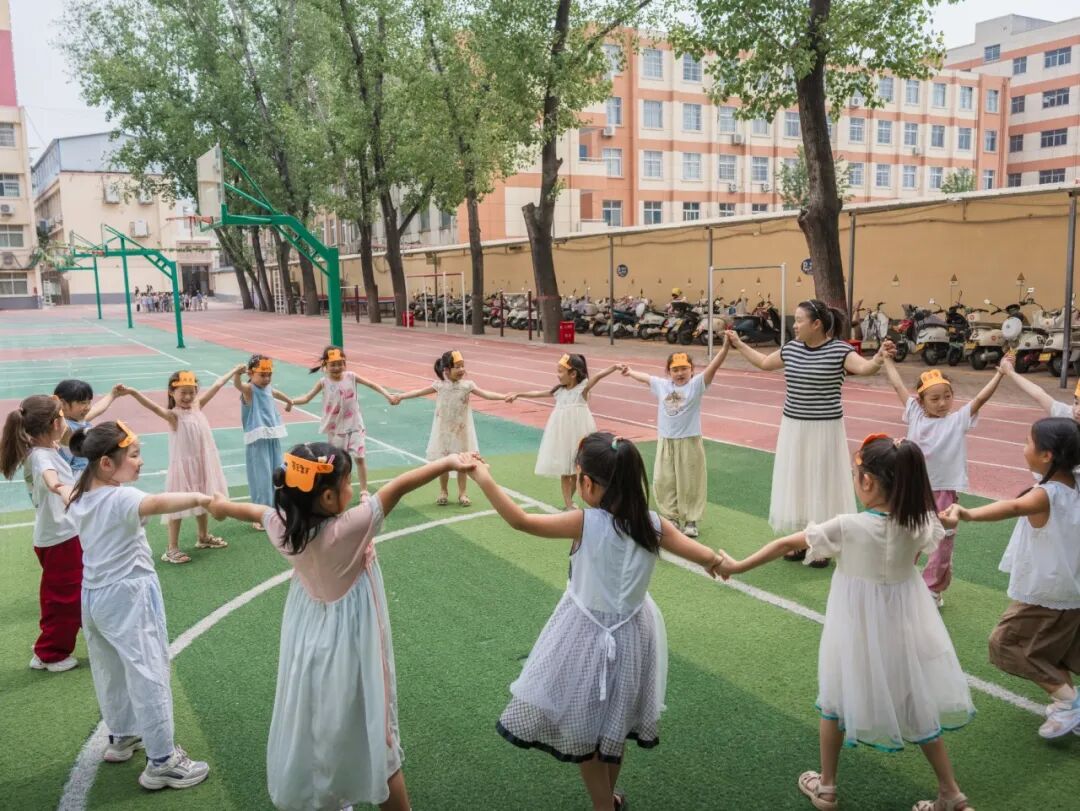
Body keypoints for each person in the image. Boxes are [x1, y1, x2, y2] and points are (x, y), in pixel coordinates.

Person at [207, 443, 479, 810]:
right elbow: (398, 487)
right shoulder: (349, 529)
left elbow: (255, 510)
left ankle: (331, 796)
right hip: (354, 646)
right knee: (377, 736)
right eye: (347, 483)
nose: (352, 490)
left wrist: (222, 507)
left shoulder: (283, 527)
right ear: (328, 497)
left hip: (309, 639)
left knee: (322, 718)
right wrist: (449, 461)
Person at [468, 433, 725, 811]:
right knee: (614, 725)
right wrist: (722, 563)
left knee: (585, 728)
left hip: (584, 633)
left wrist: (483, 477)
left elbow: (520, 520)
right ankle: (609, 798)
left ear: (588, 483)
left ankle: (604, 805)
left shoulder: (585, 522)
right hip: (634, 633)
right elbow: (707, 558)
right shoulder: (653, 524)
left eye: (578, 477)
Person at [719, 435, 975, 811]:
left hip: (854, 629)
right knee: (915, 701)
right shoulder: (919, 522)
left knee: (835, 700)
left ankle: (826, 788)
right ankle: (951, 794)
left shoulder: (848, 526)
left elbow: (786, 545)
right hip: (904, 629)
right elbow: (922, 545)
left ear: (867, 481)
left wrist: (737, 566)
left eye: (856, 475)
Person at [64, 421, 211, 789]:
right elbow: (157, 503)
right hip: (128, 595)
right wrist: (202, 498)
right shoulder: (121, 498)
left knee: (110, 669)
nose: (140, 461)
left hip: (94, 596)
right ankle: (162, 761)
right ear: (106, 463)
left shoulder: (81, 493)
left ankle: (123, 735)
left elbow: (62, 489)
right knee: (149, 671)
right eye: (133, 455)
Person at [940, 417, 1080, 739]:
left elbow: (1014, 506)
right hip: (1069, 590)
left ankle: (1070, 702)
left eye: (1028, 442)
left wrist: (966, 513)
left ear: (1047, 455)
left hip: (1048, 593)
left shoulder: (1046, 495)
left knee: (1005, 643)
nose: (1023, 446)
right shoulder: (1073, 483)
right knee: (1048, 650)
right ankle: (1066, 702)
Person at [726, 300, 893, 567]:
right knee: (799, 481)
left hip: (825, 428)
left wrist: (879, 357)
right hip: (794, 427)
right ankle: (800, 541)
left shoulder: (839, 350)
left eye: (799, 320)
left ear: (816, 324)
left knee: (822, 482)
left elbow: (865, 368)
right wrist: (738, 343)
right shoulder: (791, 349)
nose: (795, 325)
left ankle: (822, 545)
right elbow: (765, 363)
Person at [881, 361, 1005, 607]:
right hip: (915, 488)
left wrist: (1000, 374)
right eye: (935, 398)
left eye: (947, 397)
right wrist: (885, 359)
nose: (942, 403)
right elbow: (897, 385)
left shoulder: (958, 420)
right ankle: (900, 577)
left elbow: (981, 399)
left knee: (942, 542)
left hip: (944, 492)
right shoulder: (915, 414)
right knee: (909, 533)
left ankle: (933, 589)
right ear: (921, 401)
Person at [120, 367, 240, 563]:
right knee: (175, 507)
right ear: (171, 392)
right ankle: (171, 548)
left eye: (192, 392)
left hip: (202, 463)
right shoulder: (173, 416)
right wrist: (133, 392)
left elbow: (218, 384)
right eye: (183, 392)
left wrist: (234, 371)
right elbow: (152, 407)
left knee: (205, 497)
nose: (188, 397)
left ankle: (203, 537)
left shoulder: (197, 406)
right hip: (182, 469)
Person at [0, 395, 83, 672]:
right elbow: (49, 476)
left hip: (62, 535)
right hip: (60, 539)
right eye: (62, 416)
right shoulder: (41, 457)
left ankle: (81, 631)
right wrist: (60, 487)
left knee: (74, 590)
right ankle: (50, 653)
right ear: (55, 423)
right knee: (63, 599)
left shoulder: (45, 448)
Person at [619, 345, 729, 538]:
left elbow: (714, 366)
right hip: (666, 441)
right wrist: (630, 372)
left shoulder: (696, 385)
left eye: (684, 368)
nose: (680, 373)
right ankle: (671, 518)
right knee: (664, 480)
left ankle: (691, 520)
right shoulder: (662, 385)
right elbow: (646, 378)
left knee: (690, 481)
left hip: (689, 441)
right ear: (668, 372)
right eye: (675, 369)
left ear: (692, 370)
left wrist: (726, 347)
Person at [391, 349, 509, 506]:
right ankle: (443, 491)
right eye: (457, 367)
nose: (461, 370)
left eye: (462, 366)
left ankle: (462, 494)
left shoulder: (467, 385)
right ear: (446, 370)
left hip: (461, 431)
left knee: (463, 462)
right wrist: (401, 396)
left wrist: (504, 397)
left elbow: (486, 394)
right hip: (444, 431)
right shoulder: (440, 386)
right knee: (444, 463)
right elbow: (419, 392)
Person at [506, 354, 619, 510]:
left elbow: (598, 376)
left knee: (577, 469)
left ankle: (574, 499)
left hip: (579, 432)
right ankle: (568, 503)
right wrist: (519, 394)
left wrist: (614, 367)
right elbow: (539, 393)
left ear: (573, 374)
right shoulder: (559, 391)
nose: (557, 375)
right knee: (565, 471)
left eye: (560, 371)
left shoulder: (582, 389)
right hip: (562, 433)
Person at [289, 346, 394, 494]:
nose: (337, 367)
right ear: (325, 365)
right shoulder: (323, 382)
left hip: (355, 425)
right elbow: (307, 398)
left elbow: (372, 384)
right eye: (333, 364)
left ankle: (364, 491)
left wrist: (388, 395)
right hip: (336, 429)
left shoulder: (351, 376)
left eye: (340, 364)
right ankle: (340, 489)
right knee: (338, 462)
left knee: (360, 458)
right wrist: (291, 402)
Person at [233, 355, 292, 530]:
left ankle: (276, 509)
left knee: (277, 473)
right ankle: (260, 514)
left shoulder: (268, 388)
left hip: (272, 436)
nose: (266, 379)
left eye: (269, 375)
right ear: (251, 374)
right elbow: (238, 385)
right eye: (262, 375)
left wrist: (289, 401)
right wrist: (236, 374)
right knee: (262, 476)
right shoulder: (249, 390)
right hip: (258, 440)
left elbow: (276, 393)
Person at [54, 379, 124, 474]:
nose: (87, 407)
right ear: (63, 404)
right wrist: (56, 406)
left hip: (90, 469)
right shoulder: (64, 427)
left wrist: (113, 394)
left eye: (89, 402)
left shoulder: (78, 420)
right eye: (82, 403)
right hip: (79, 474)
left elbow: (97, 408)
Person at [999, 354, 1080, 424]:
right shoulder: (1067, 414)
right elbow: (1039, 394)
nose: (1077, 411)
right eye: (1076, 403)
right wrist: (1011, 372)